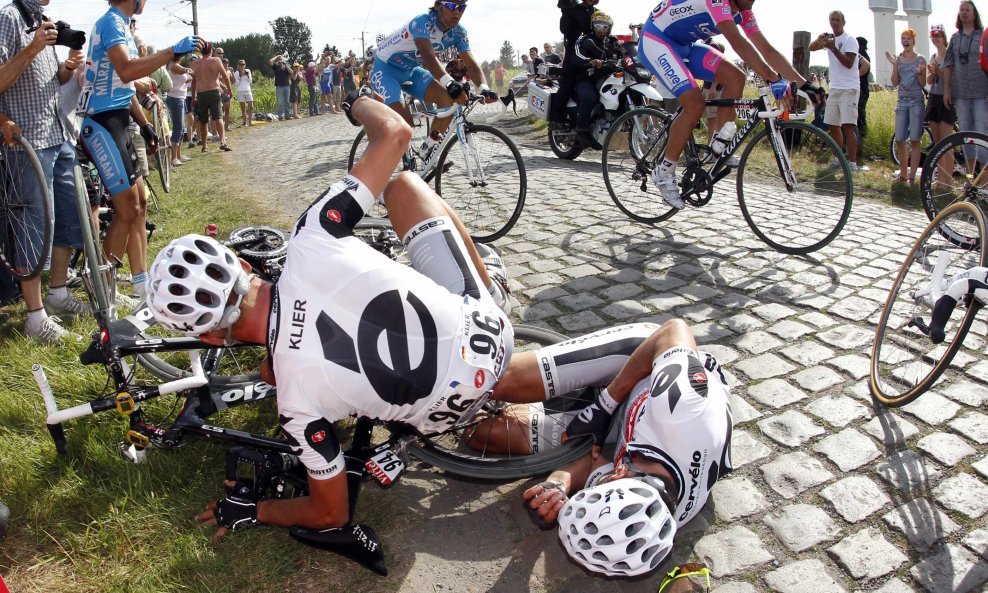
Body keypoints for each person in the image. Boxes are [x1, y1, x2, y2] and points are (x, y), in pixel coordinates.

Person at [146, 94, 509, 536]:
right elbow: (395, 133)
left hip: (441, 414)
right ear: (243, 265)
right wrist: (355, 101)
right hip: (490, 334)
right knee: (405, 186)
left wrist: (256, 509)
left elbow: (331, 514)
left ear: (212, 339)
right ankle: (490, 290)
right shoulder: (311, 233)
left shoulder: (295, 407)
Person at [497, 319, 734, 577]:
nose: (607, 474)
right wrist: (603, 405)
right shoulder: (682, 411)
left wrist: (557, 486)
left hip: (627, 427)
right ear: (620, 474)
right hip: (641, 365)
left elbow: (589, 462)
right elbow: (674, 329)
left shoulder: (648, 519)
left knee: (489, 434)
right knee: (505, 380)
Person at [78, 0, 201, 301]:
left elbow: (125, 83)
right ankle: (100, 289)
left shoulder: (122, 24)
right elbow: (127, 68)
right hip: (101, 123)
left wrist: (144, 125)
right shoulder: (110, 22)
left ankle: (139, 281)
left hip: (119, 118)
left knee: (140, 205)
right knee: (127, 208)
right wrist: (171, 52)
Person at [641, 0, 817, 209]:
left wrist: (806, 86)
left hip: (684, 46)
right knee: (695, 104)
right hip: (657, 40)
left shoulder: (744, 11)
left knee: (736, 77)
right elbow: (737, 43)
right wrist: (773, 79)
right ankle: (664, 171)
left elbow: (766, 49)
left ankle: (718, 146)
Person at [0, 0, 88, 342]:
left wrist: (66, 68)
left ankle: (59, 294)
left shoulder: (43, 19)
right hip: (29, 141)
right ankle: (35, 317)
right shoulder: (8, 18)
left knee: (67, 219)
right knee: (33, 230)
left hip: (58, 133)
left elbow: (51, 82)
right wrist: (34, 45)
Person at [369, 0, 498, 172]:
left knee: (449, 101)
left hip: (410, 71)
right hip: (385, 70)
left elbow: (471, 64)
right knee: (405, 125)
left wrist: (483, 88)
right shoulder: (422, 22)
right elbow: (428, 57)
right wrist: (450, 83)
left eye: (462, 7)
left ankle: (426, 150)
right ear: (438, 5)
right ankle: (391, 174)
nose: (457, 12)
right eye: (452, 6)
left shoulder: (459, 32)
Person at [809, 11, 866, 173]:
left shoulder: (849, 40)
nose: (834, 22)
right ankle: (838, 158)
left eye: (837, 20)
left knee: (848, 126)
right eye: (832, 19)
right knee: (833, 125)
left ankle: (852, 163)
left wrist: (833, 48)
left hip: (849, 88)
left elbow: (848, 63)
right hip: (835, 88)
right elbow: (811, 48)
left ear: (843, 22)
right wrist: (820, 40)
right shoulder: (829, 39)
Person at [942, 0, 988, 171]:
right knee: (965, 136)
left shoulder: (983, 35)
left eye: (967, 9)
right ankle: (970, 178)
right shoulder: (955, 38)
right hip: (961, 94)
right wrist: (947, 90)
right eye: (961, 10)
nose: (964, 12)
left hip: (981, 93)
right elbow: (948, 65)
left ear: (974, 13)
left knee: (982, 136)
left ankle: (984, 183)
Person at [571, 11, 623, 148]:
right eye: (598, 25)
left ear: (609, 27)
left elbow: (624, 53)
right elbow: (575, 55)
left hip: (607, 77)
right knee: (590, 97)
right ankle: (581, 131)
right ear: (592, 26)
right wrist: (590, 61)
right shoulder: (585, 40)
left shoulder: (613, 41)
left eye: (604, 26)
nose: (601, 29)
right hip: (587, 78)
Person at [887, 29, 927, 185]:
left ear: (913, 40)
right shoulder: (899, 59)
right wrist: (895, 65)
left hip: (916, 101)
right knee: (899, 139)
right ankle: (903, 174)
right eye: (903, 38)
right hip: (901, 100)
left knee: (915, 140)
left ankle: (912, 176)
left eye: (908, 38)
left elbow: (923, 83)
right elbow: (894, 82)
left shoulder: (920, 59)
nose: (905, 41)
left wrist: (919, 73)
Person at [553, 0, 597, 123]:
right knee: (567, 83)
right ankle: (558, 119)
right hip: (574, 52)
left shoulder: (596, 13)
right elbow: (564, 29)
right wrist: (566, 10)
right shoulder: (572, 10)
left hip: (593, 53)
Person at [926, 24, 958, 186]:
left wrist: (938, 71)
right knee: (938, 142)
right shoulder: (933, 56)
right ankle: (940, 177)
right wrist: (932, 73)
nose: (936, 39)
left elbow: (951, 80)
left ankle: (948, 180)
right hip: (934, 97)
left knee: (947, 141)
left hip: (947, 98)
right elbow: (929, 81)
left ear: (944, 37)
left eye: (938, 36)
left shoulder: (949, 56)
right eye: (933, 36)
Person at [189, 42, 231, 151]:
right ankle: (222, 141)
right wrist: (229, 90)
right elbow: (225, 77)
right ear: (210, 51)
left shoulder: (195, 64)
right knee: (218, 117)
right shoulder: (216, 60)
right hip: (214, 91)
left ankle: (204, 145)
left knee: (203, 121)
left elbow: (194, 82)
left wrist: (193, 97)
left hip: (201, 93)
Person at [165, 54, 191, 167]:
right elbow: (181, 71)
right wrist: (189, 70)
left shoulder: (175, 65)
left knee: (181, 127)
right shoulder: (174, 66)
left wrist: (188, 76)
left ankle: (179, 155)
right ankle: (173, 157)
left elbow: (179, 80)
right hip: (175, 99)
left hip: (181, 97)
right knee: (178, 127)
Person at [855, 36, 871, 140]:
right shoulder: (865, 55)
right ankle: (862, 135)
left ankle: (860, 135)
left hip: (860, 87)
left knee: (859, 113)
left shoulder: (860, 56)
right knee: (861, 112)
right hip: (864, 87)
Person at [268, 53, 291, 120]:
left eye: (281, 59)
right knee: (280, 102)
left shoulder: (286, 66)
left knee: (287, 101)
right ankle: (280, 116)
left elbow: (291, 72)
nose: (280, 60)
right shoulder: (276, 66)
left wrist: (286, 64)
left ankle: (287, 115)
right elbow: (270, 62)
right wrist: (277, 57)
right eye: (279, 59)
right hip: (279, 86)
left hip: (287, 85)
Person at [234, 59, 253, 126]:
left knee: (251, 106)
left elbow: (250, 81)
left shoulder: (248, 71)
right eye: (241, 64)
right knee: (243, 107)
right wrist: (241, 75)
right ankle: (245, 122)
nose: (242, 66)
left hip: (248, 90)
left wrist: (247, 75)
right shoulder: (236, 73)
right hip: (240, 91)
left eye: (243, 64)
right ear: (238, 65)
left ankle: (250, 122)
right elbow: (237, 83)